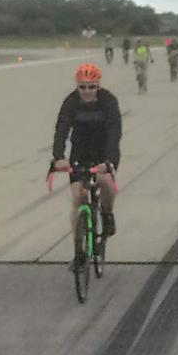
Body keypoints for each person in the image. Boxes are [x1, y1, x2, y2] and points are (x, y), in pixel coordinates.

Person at [51, 64, 122, 267]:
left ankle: (107, 213)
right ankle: (79, 251)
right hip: (79, 153)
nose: (87, 91)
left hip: (103, 152)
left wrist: (108, 161)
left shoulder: (108, 101)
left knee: (105, 182)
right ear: (77, 87)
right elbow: (61, 130)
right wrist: (58, 157)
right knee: (78, 196)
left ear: (98, 85)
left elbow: (115, 132)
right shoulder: (71, 102)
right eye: (83, 87)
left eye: (91, 87)